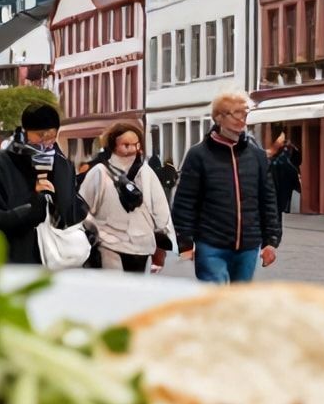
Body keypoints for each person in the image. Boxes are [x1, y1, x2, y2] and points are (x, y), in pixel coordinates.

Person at [171, 92, 282, 284]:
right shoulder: (199, 154)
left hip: (248, 244)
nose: (242, 120)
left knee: (237, 301)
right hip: (211, 243)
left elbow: (268, 199)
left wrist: (271, 241)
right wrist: (185, 242)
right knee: (216, 295)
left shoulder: (256, 155)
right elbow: (185, 201)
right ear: (219, 117)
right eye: (236, 114)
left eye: (245, 114)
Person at [0, 105, 87, 266]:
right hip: (13, 256)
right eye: (40, 135)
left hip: (55, 257)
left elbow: (69, 210)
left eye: (52, 136)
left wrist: (58, 205)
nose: (47, 142)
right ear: (26, 132)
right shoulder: (1, 163)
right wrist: (32, 203)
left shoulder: (62, 164)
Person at [80, 122, 174, 273]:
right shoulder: (99, 172)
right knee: (115, 288)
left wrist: (161, 243)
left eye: (135, 144)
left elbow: (160, 210)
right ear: (113, 145)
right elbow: (82, 207)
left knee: (133, 291)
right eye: (126, 144)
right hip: (108, 243)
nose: (131, 149)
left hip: (141, 246)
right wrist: (95, 231)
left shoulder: (146, 172)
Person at [269, 133, 302, 214]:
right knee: (285, 196)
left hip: (282, 180)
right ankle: (286, 208)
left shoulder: (276, 159)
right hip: (284, 180)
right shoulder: (283, 157)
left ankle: (285, 208)